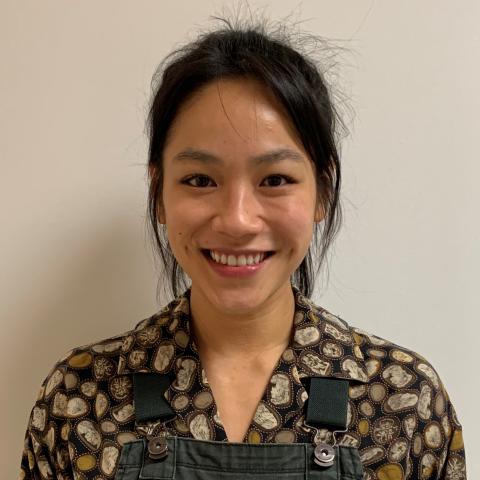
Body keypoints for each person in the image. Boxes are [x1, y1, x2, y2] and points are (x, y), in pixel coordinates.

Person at [19, 14, 467, 480]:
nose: (236, 219)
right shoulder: (80, 398)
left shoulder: (404, 403)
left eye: (275, 179)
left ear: (323, 192)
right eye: (200, 180)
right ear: (159, 195)